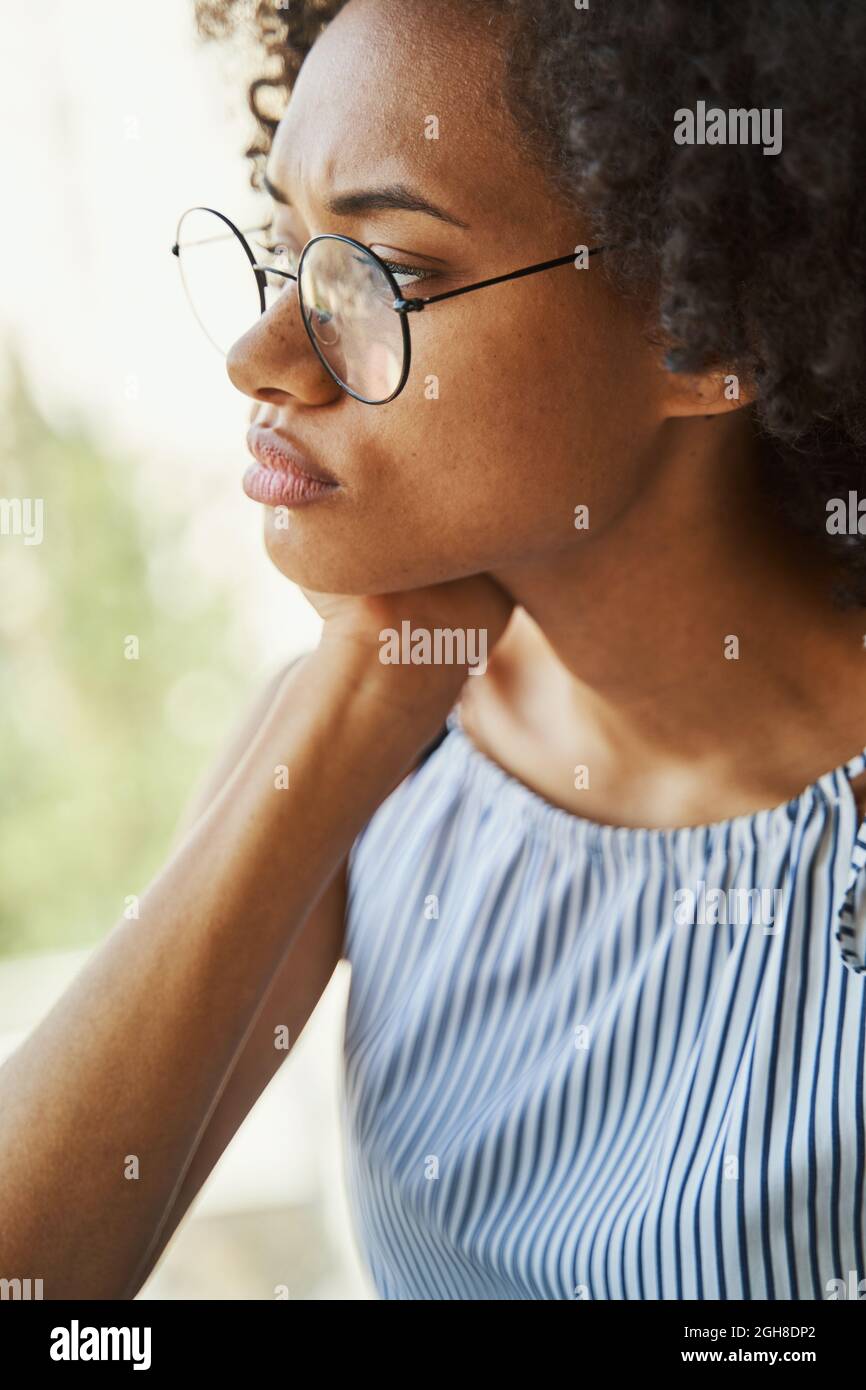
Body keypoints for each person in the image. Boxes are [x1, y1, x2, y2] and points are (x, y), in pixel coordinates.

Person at [3, 0, 866, 1300]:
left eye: (388, 276)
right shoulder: (378, 745)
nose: (259, 356)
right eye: (288, 244)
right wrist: (353, 700)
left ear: (711, 330)